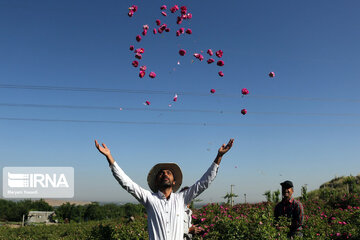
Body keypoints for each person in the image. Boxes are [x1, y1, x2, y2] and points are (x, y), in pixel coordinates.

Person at [95, 138, 234, 240]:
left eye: (168, 173)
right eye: (161, 173)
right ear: (156, 181)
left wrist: (219, 157)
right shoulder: (150, 199)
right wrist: (109, 157)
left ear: (174, 182)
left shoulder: (182, 199)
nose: (165, 174)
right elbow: (127, 183)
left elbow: (203, 183)